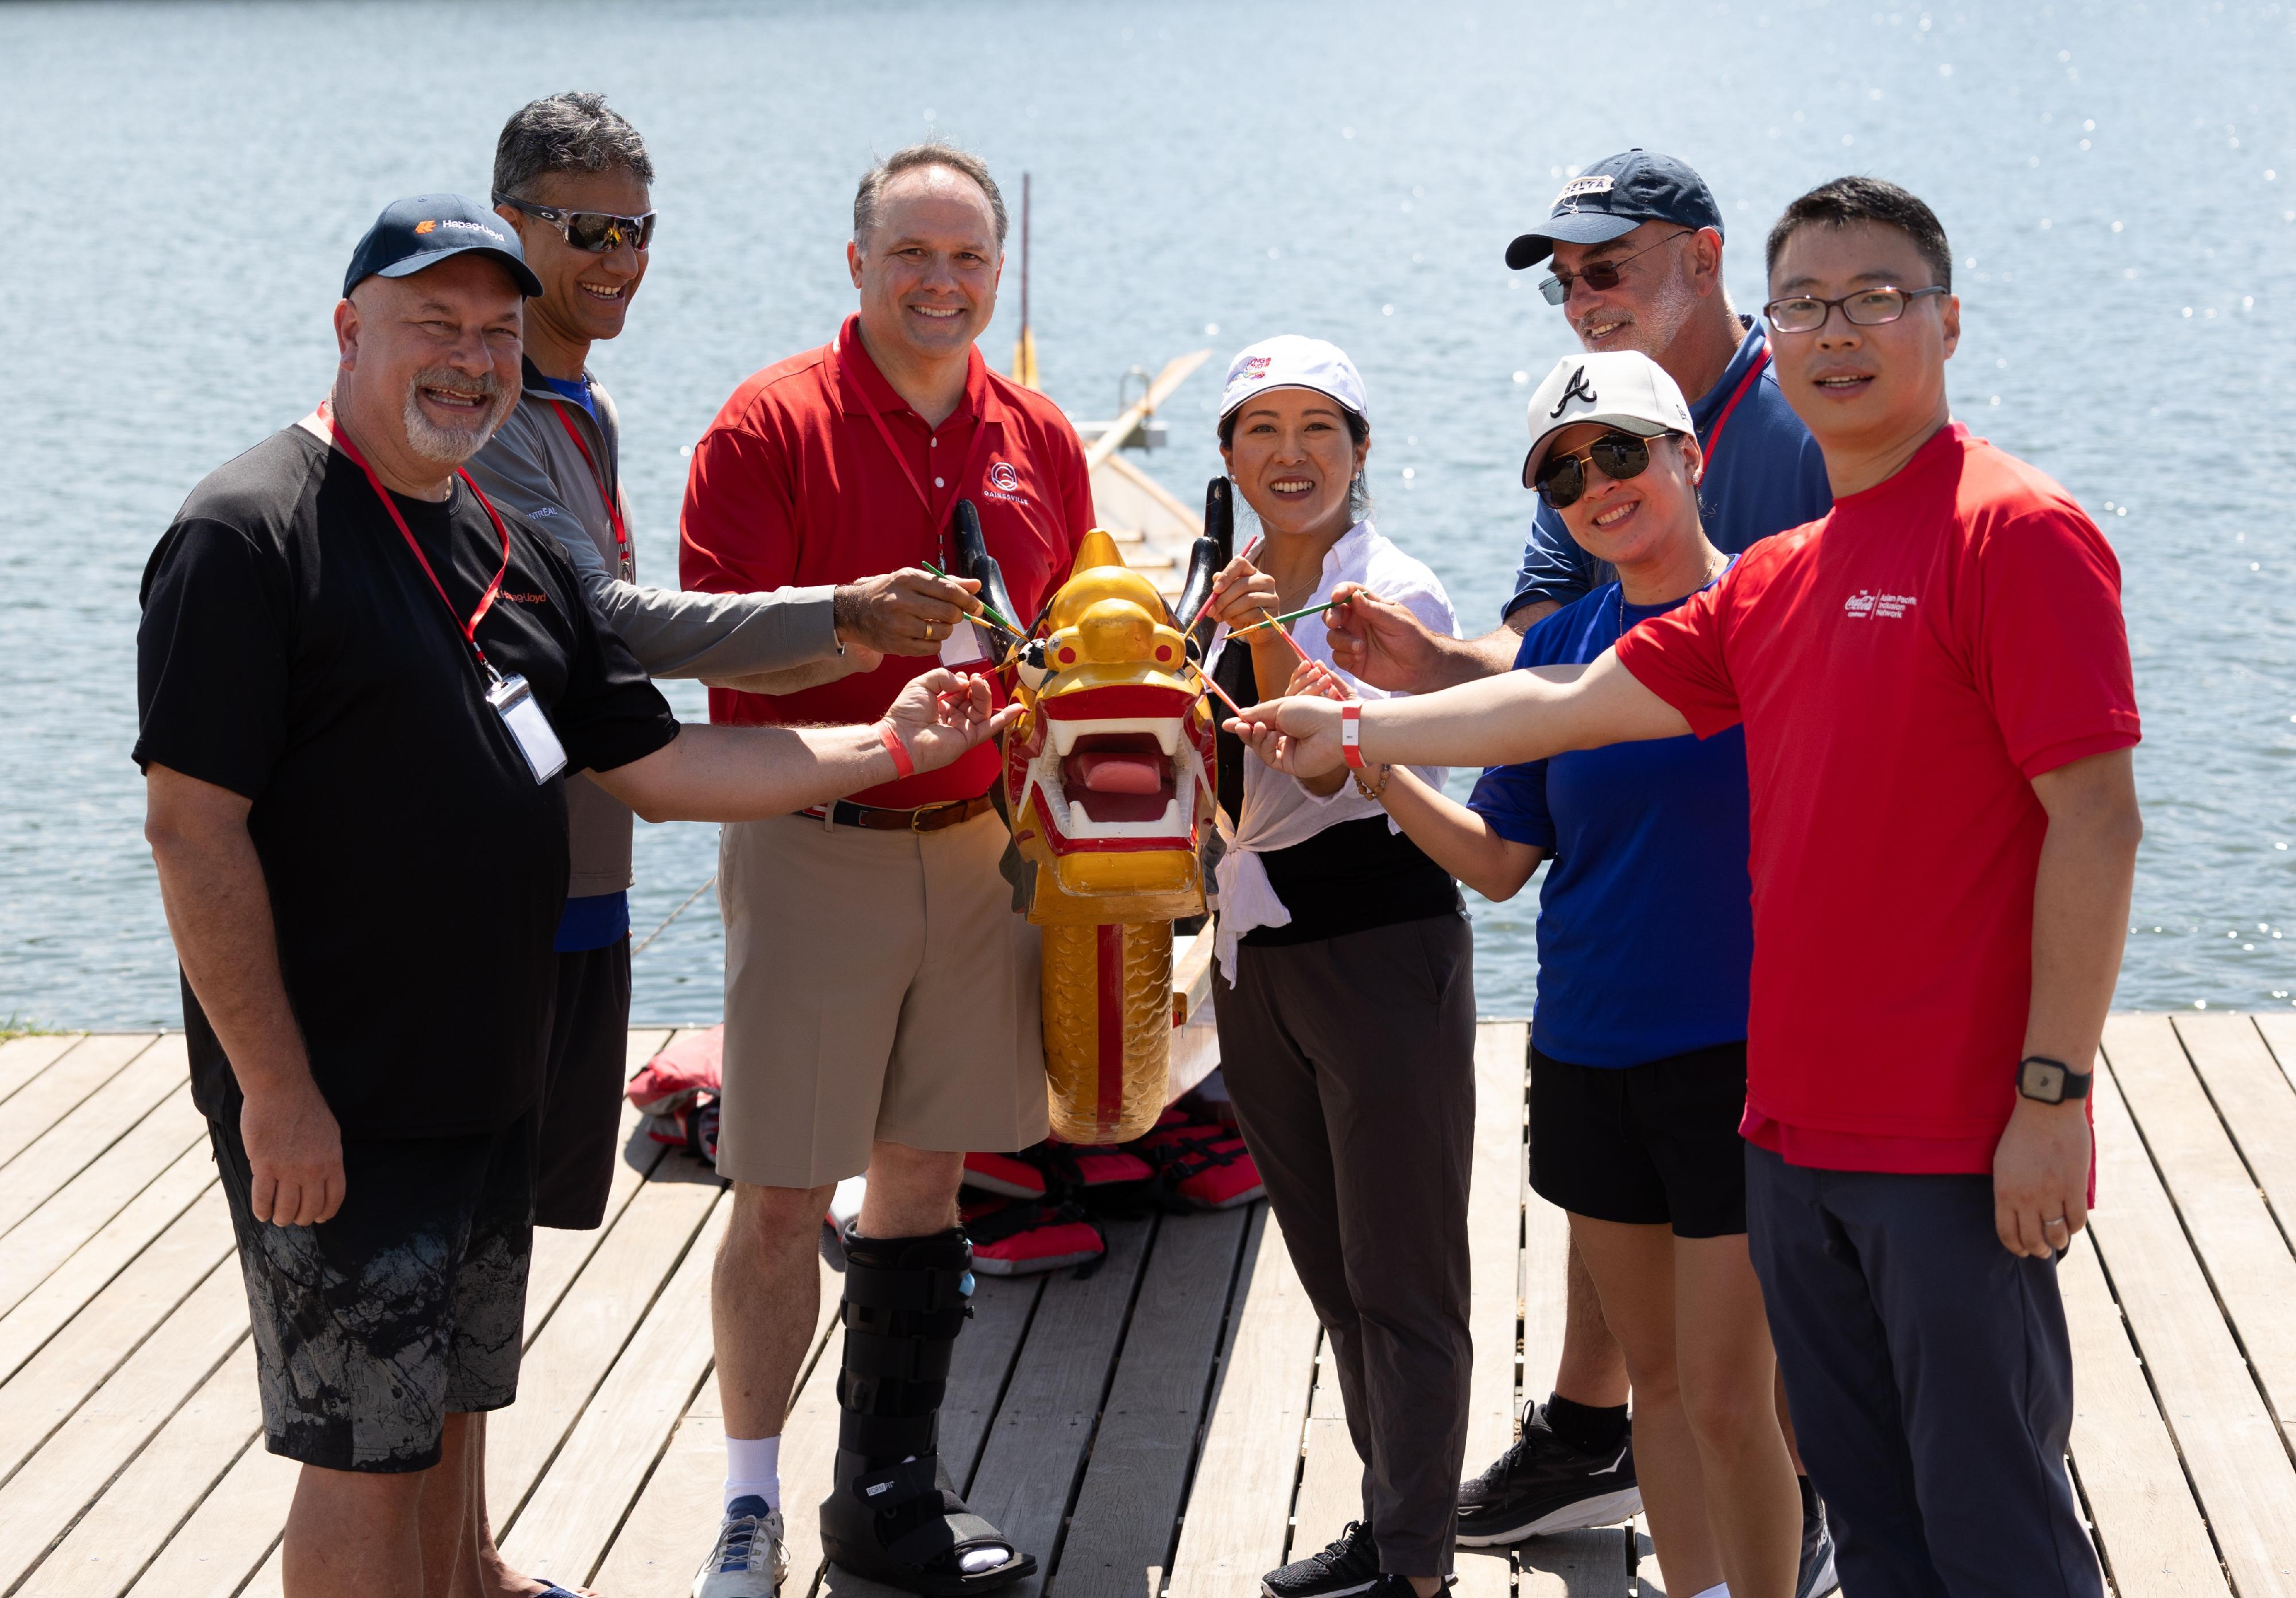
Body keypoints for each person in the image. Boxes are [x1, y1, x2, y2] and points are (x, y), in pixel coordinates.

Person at [1229, 177, 2139, 1598]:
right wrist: (1354, 729)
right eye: (1806, 308)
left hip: (1952, 1135)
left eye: (1875, 299)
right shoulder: (1777, 581)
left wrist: (2050, 1095)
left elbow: (2095, 824)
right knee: (1874, 1511)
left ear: (1947, 321)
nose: (1837, 334)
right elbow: (1557, 704)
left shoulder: (2012, 531)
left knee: (1995, 1520)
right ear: (1764, 336)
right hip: (1781, 1130)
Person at [134, 196, 1015, 1598]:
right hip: (341, 1093)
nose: (471, 359)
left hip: (491, 1067)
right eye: (434, 323)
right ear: (349, 326)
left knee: (447, 1410)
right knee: (364, 1446)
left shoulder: (502, 532)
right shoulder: (249, 535)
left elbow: (655, 762)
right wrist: (274, 1088)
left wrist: (893, 742)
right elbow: (191, 831)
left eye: (495, 330)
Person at [460, 93, 961, 1598]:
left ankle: (463, 1559)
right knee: (463, 1247)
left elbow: (603, 650)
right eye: (581, 228)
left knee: (495, 1248)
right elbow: (607, 621)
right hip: (500, 881)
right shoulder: (494, 410)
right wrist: (845, 619)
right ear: (512, 224)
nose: (615, 259)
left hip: (588, 872)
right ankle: (458, 1560)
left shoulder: (576, 405)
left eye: (635, 230)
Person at [1324, 149, 1833, 1567]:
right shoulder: (1554, 636)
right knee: (1660, 1391)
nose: (1597, 483)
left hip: (1737, 1050)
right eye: (1564, 469)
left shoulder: (1770, 611)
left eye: (1622, 452)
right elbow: (1497, 857)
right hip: (1588, 1046)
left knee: (1738, 1396)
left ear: (1687, 455)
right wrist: (1373, 754)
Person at [677, 142, 1093, 1598]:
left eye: (966, 259)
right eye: (910, 254)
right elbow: (718, 659)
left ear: (998, 274)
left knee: (923, 1177)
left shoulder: (1036, 434)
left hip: (981, 853)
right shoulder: (763, 425)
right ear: (854, 263)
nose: (940, 282)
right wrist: (860, 633)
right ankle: (746, 1503)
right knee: (783, 1197)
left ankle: (886, 1493)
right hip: (815, 843)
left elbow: (1071, 641)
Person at [1190, 336, 1474, 1598]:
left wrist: (1250, 639)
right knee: (1331, 1271)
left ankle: (1415, 1567)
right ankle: (1391, 1517)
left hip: (1377, 951)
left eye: (1319, 428)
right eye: (1260, 429)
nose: (1289, 454)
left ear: (1362, 452)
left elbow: (1316, 757)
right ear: (1227, 457)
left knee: (1403, 1280)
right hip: (1254, 955)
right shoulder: (1224, 576)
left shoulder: (1391, 594)